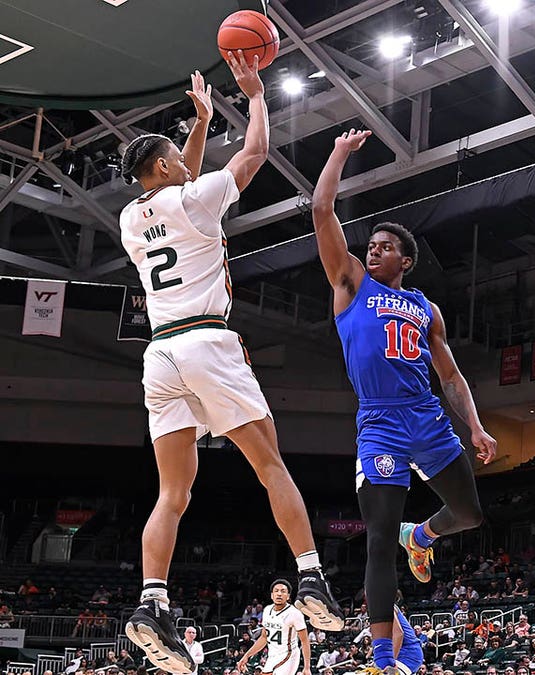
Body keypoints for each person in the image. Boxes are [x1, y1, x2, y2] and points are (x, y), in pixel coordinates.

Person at [117, 54, 342, 674]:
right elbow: (256, 152)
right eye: (178, 157)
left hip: (159, 355)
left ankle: (151, 602)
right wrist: (255, 96)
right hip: (207, 344)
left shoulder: (132, 218)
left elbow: (179, 178)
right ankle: (312, 578)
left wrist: (197, 123)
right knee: (270, 465)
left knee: (172, 493)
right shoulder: (197, 199)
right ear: (164, 166)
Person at [311, 129, 497, 671]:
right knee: (377, 537)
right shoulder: (349, 284)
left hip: (430, 420)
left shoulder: (426, 309)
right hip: (381, 424)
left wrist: (477, 428)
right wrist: (340, 153)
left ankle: (424, 535)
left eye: (386, 247)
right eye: (370, 244)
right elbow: (322, 209)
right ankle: (382, 656)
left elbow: (452, 375)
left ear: (406, 261)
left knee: (469, 514)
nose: (374, 249)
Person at [237, 581, 310, 675]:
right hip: (272, 657)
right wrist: (246, 656)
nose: (279, 594)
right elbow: (264, 637)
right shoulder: (267, 610)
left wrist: (307, 667)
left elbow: (305, 641)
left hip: (289, 656)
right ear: (272, 595)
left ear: (288, 596)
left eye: (283, 591)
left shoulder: (295, 614)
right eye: (276, 591)